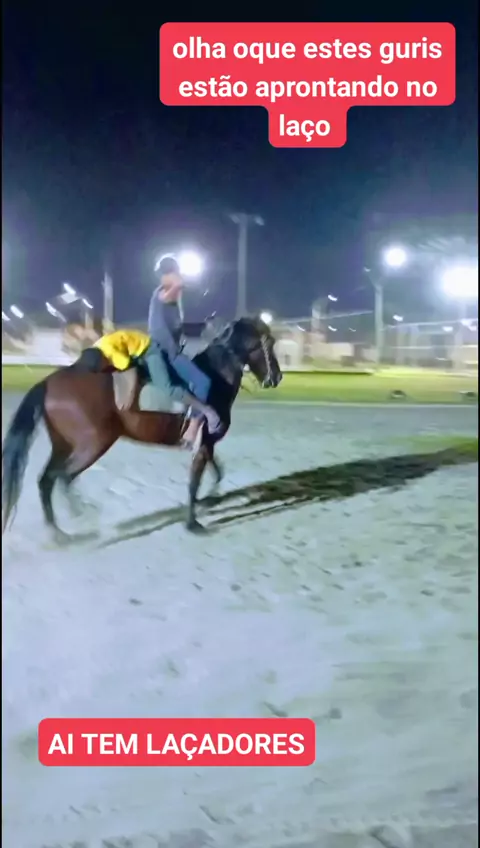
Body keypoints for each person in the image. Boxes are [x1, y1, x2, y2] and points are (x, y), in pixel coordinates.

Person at [146, 255, 221, 448]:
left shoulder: (175, 305)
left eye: (167, 274)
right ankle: (201, 415)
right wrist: (178, 283)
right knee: (172, 386)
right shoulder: (160, 293)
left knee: (202, 382)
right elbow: (169, 293)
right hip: (159, 351)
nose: (163, 278)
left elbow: (179, 326)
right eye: (166, 275)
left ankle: (191, 426)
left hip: (173, 352)